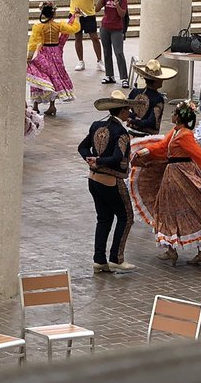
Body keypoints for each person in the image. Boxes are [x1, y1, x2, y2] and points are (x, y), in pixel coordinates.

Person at [129, 101, 201, 266]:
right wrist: (143, 152)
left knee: (192, 207)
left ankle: (196, 251)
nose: (172, 115)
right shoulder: (175, 132)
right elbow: (162, 146)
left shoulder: (185, 135)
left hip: (181, 174)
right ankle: (173, 249)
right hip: (172, 174)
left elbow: (199, 154)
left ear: (180, 117)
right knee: (169, 208)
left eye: (174, 113)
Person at [78, 90, 136, 274]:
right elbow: (118, 157)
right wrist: (101, 161)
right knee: (126, 217)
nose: (130, 113)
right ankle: (116, 258)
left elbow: (82, 147)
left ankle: (99, 259)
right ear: (122, 111)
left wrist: (91, 158)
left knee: (103, 219)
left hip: (93, 180)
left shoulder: (97, 125)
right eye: (128, 109)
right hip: (112, 181)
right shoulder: (121, 133)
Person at [27, 1, 81, 116]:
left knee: (39, 75)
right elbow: (73, 28)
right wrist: (76, 17)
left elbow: (33, 43)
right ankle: (52, 105)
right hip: (56, 53)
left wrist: (29, 56)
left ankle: (36, 105)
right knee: (54, 76)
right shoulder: (59, 25)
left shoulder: (39, 26)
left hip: (43, 52)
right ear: (53, 14)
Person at [64, 0, 102, 72]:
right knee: (78, 37)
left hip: (89, 13)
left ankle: (99, 61)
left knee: (94, 37)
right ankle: (80, 61)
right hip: (75, 14)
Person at [95, 0, 129, 87]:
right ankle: (109, 75)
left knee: (119, 52)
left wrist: (116, 3)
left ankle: (124, 78)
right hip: (105, 27)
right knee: (107, 51)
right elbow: (97, 9)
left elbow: (122, 14)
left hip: (117, 29)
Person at [128, 63, 172, 134]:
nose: (162, 81)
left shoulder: (135, 92)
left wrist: (133, 118)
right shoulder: (158, 98)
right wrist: (136, 121)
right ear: (155, 81)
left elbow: (123, 109)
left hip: (131, 132)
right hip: (148, 137)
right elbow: (152, 122)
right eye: (160, 79)